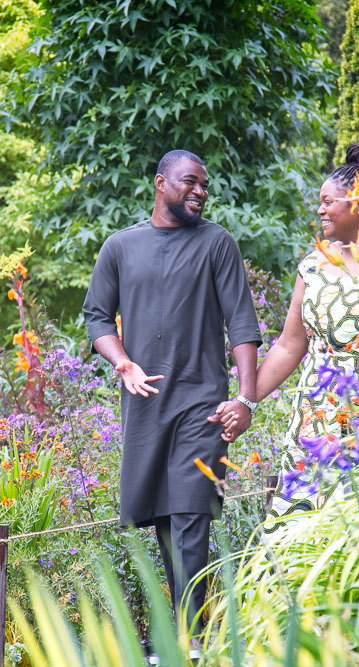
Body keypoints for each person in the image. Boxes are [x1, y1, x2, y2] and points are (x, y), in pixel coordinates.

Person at [82, 149, 262, 634]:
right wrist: (123, 363)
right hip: (144, 406)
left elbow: (242, 325)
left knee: (189, 514)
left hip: (204, 405)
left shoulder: (217, 244)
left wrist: (245, 399)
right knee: (164, 518)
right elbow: (97, 317)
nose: (200, 191)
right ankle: (189, 630)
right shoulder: (120, 247)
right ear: (161, 183)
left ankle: (192, 640)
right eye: (190, 182)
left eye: (205, 185)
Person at [212, 141, 359, 533]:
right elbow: (289, 344)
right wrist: (246, 399)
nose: (320, 209)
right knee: (301, 534)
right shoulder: (313, 266)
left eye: (328, 201)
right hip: (316, 421)